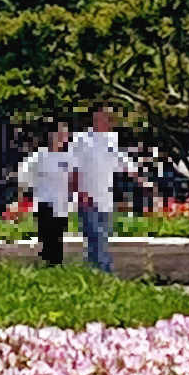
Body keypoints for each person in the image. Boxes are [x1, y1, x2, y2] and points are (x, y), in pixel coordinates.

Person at [69, 103, 121, 274]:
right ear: (96, 118)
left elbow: (119, 163)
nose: (109, 120)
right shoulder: (81, 140)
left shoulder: (112, 139)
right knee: (95, 237)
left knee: (103, 238)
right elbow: (73, 168)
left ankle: (95, 273)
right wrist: (80, 193)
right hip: (88, 198)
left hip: (106, 197)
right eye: (105, 116)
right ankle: (105, 272)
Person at [21, 122, 72, 267]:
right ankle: (46, 264)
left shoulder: (67, 157)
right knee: (48, 237)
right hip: (45, 203)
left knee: (59, 237)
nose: (63, 137)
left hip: (62, 204)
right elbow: (24, 177)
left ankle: (56, 265)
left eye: (65, 134)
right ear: (51, 136)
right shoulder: (40, 156)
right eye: (60, 134)